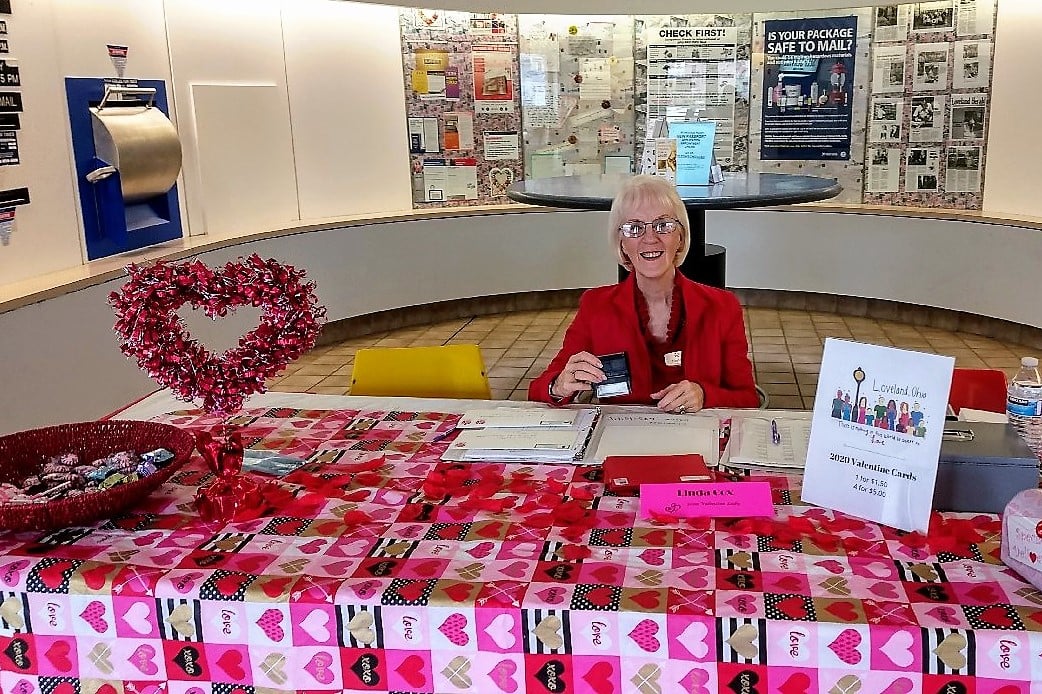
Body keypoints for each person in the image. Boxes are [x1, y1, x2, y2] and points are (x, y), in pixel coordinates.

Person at [528, 175, 758, 412]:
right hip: (622, 441)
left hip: (697, 441)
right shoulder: (596, 306)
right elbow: (538, 390)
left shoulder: (722, 306)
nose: (650, 239)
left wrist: (705, 395)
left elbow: (748, 398)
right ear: (622, 243)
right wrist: (559, 385)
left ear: (680, 237)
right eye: (634, 228)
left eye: (663, 225)